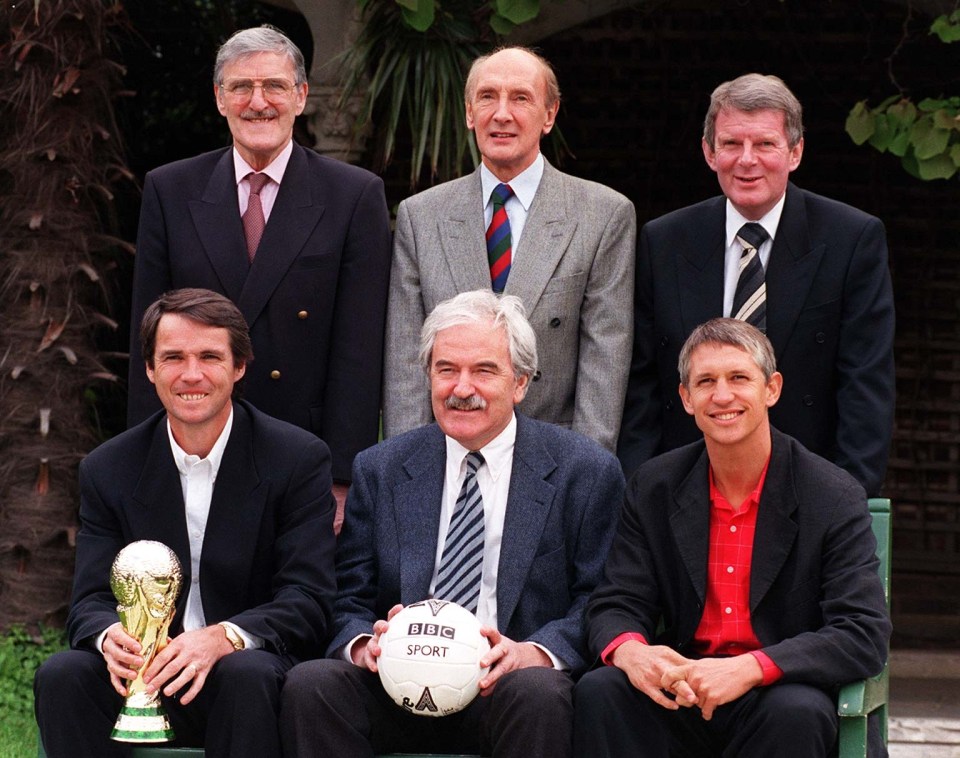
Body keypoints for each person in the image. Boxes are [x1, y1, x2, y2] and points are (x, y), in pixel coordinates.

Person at [281, 289, 624, 758]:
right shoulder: (381, 468)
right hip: (396, 684)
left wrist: (532, 654)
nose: (462, 389)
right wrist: (365, 646)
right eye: (447, 370)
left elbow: (599, 599)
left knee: (539, 693)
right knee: (313, 683)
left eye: (484, 370)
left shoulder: (584, 471)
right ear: (428, 377)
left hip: (507, 689)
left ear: (520, 383)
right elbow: (347, 595)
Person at [35, 289, 336, 758]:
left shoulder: (297, 459)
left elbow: (309, 598)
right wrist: (106, 635)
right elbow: (89, 599)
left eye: (210, 357)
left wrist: (223, 637)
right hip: (144, 672)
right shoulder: (108, 467)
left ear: (239, 368)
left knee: (246, 673)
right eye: (172, 357)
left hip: (244, 674)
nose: (191, 374)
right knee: (63, 673)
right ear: (151, 370)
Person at [576, 318, 891, 757]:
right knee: (602, 690)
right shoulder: (655, 486)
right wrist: (632, 652)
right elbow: (617, 600)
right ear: (686, 398)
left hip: (778, 691)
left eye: (739, 378)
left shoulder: (831, 495)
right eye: (706, 381)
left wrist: (751, 668)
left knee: (796, 711)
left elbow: (862, 631)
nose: (722, 395)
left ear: (772, 389)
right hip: (685, 687)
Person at [127, 25, 391, 508]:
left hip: (304, 454)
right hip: (194, 446)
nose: (258, 101)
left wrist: (342, 477)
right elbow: (147, 339)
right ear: (219, 99)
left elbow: (359, 350)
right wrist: (147, 461)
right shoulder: (170, 190)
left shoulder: (354, 195)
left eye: (274, 85)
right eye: (241, 87)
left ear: (302, 96)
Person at [617, 73, 895, 496]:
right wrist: (641, 490)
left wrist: (846, 499)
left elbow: (865, 384)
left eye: (765, 144)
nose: (747, 160)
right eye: (731, 144)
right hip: (682, 488)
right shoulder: (664, 240)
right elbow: (642, 384)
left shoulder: (851, 239)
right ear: (709, 152)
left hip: (807, 489)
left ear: (795, 152)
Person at [383, 46, 636, 453]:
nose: (501, 114)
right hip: (447, 453)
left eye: (520, 98)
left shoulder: (603, 215)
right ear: (469, 113)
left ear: (549, 115)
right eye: (487, 97)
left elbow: (604, 362)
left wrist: (587, 475)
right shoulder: (421, 216)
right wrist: (407, 468)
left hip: (553, 456)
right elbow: (406, 362)